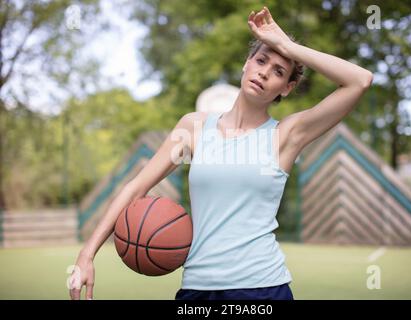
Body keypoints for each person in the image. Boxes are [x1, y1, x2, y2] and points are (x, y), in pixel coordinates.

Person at [69, 6, 372, 300]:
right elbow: (136, 187)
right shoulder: (194, 128)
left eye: (279, 71)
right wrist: (87, 254)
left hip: (263, 288)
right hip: (198, 288)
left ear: (286, 88)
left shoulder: (287, 136)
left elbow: (359, 81)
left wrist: (286, 46)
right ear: (246, 64)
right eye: (261, 61)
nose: (265, 73)